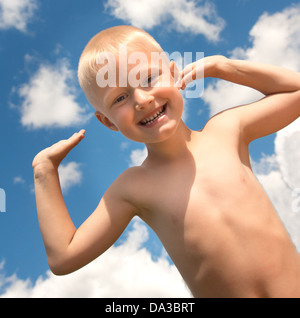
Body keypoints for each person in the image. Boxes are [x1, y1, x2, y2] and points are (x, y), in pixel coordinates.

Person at [32, 25, 300, 298]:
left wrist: (222, 66)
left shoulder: (227, 130)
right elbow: (64, 257)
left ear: (173, 73)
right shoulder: (134, 187)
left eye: (149, 78)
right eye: (120, 97)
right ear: (107, 121)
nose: (142, 99)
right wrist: (45, 170)